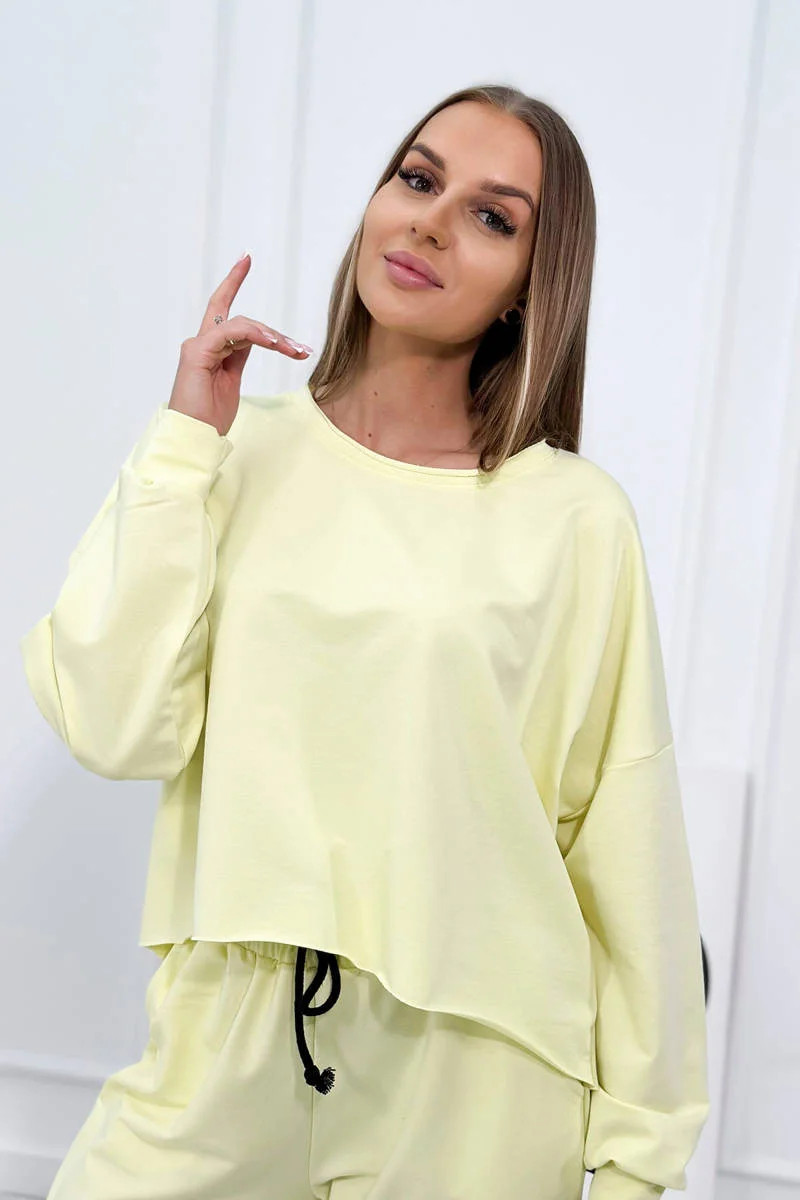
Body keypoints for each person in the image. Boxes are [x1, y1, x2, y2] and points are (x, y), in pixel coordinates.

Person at [21, 84, 710, 1200]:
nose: (431, 223)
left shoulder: (573, 518)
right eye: (418, 178)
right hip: (230, 1029)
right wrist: (184, 442)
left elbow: (624, 838)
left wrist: (639, 1158)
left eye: (492, 217)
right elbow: (114, 726)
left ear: (529, 290)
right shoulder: (229, 455)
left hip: (475, 1072)